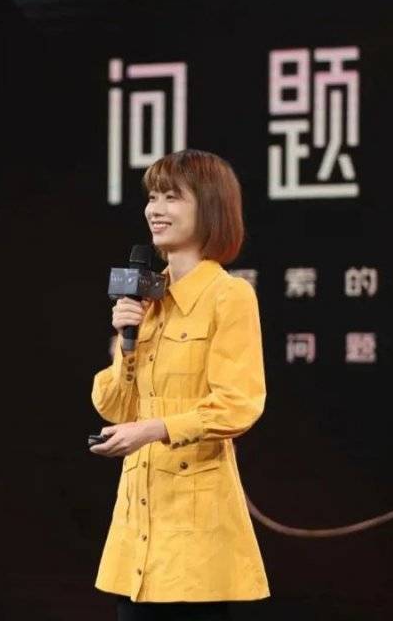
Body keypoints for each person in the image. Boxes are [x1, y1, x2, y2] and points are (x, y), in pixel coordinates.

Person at [90, 149, 269, 620]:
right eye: (152, 197)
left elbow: (238, 404)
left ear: (208, 206)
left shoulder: (229, 296)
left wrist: (153, 429)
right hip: (137, 528)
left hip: (195, 531)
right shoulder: (146, 299)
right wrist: (124, 342)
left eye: (172, 197)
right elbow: (114, 406)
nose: (156, 209)